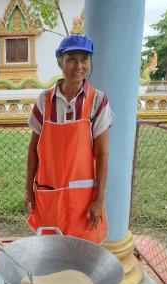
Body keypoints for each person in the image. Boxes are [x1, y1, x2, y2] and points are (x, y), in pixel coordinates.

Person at [25, 35, 114, 244]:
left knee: (82, 252)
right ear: (59, 62)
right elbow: (32, 150)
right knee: (51, 247)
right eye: (71, 59)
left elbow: (102, 154)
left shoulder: (97, 101)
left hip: (83, 199)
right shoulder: (45, 100)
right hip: (49, 192)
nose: (79, 66)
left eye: (85, 59)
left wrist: (98, 200)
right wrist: (29, 188)